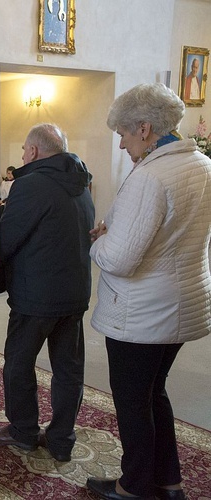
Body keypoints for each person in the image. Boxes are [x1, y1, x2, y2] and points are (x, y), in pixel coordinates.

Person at [86, 83, 211, 500]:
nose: (120, 145)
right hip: (181, 303)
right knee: (154, 393)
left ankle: (133, 485)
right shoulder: (200, 164)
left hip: (141, 312)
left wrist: (98, 241)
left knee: (133, 402)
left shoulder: (152, 175)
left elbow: (120, 259)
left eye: (122, 134)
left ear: (144, 128)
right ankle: (168, 481)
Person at [0, 123, 95, 464]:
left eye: (23, 150)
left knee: (18, 364)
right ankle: (62, 438)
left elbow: (8, 237)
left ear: (33, 151)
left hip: (36, 296)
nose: (22, 156)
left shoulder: (30, 184)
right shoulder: (81, 182)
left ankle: (23, 431)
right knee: (68, 368)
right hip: (75, 292)